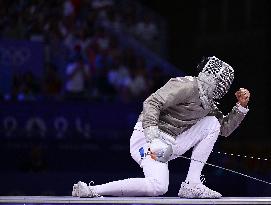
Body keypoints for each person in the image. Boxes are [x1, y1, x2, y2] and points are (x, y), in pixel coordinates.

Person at [72, 56, 250, 198]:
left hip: (171, 143)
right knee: (158, 186)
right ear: (211, 77)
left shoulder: (209, 104)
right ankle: (92, 190)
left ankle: (192, 184)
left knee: (212, 124)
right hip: (146, 141)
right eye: (220, 81)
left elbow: (224, 129)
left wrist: (240, 107)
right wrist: (153, 136)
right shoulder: (186, 85)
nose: (222, 86)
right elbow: (152, 102)